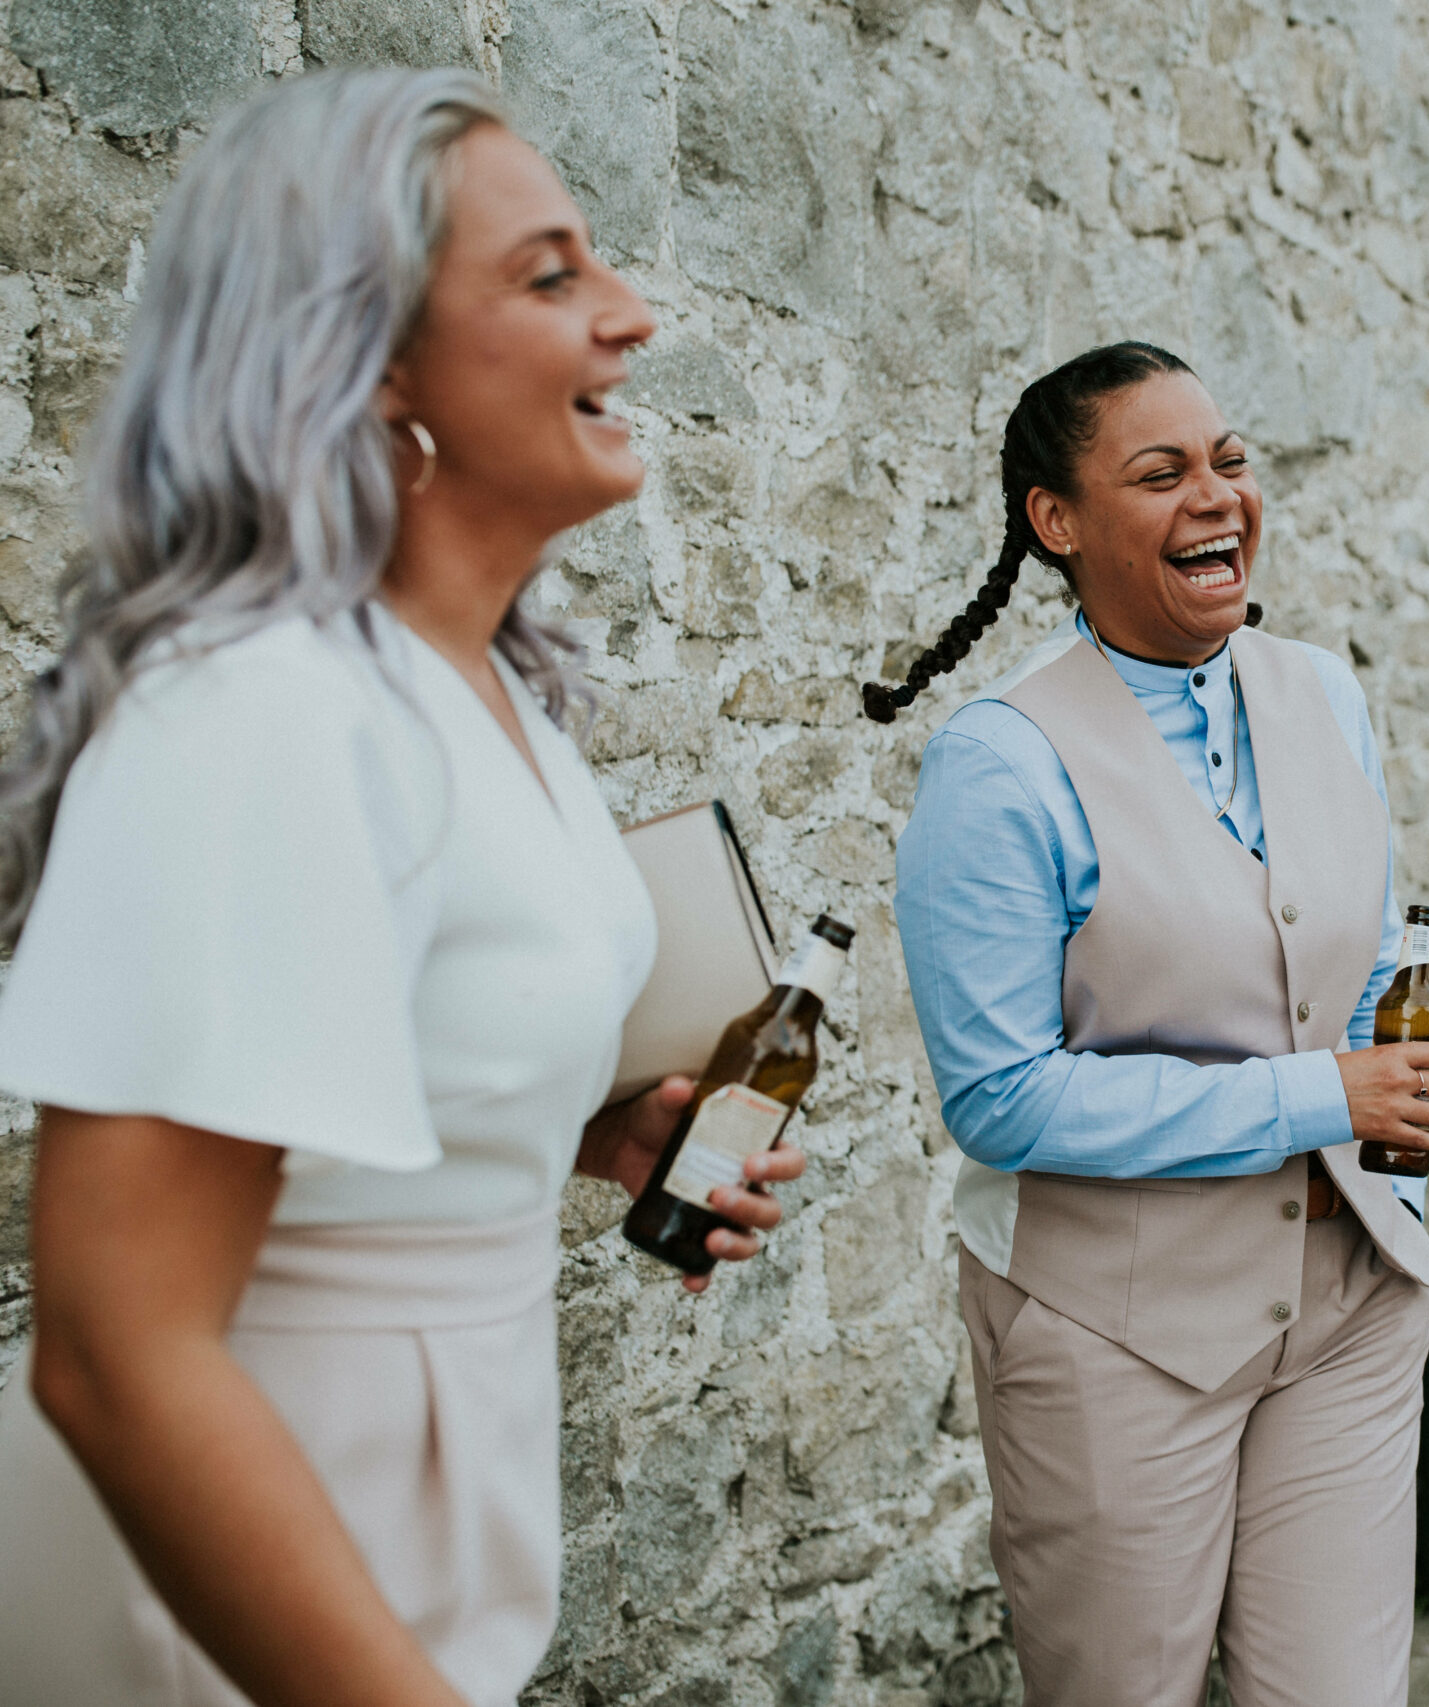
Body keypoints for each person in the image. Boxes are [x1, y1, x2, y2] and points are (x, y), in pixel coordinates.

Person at [0, 70, 801, 1707]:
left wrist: (574, 1131)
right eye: (550, 274)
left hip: (419, 1530)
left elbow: (353, 1085)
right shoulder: (260, 706)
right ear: (364, 365)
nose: (633, 316)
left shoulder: (483, 698)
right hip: (221, 1589)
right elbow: (117, 1351)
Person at [880, 342, 1429, 1707]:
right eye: (1162, 472)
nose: (1218, 496)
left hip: (1353, 1308)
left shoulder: (1323, 691)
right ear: (1057, 522)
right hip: (1112, 1336)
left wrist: (1394, 1104)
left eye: (1231, 461)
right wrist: (1326, 1099)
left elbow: (1368, 950)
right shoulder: (999, 765)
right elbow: (1002, 1100)